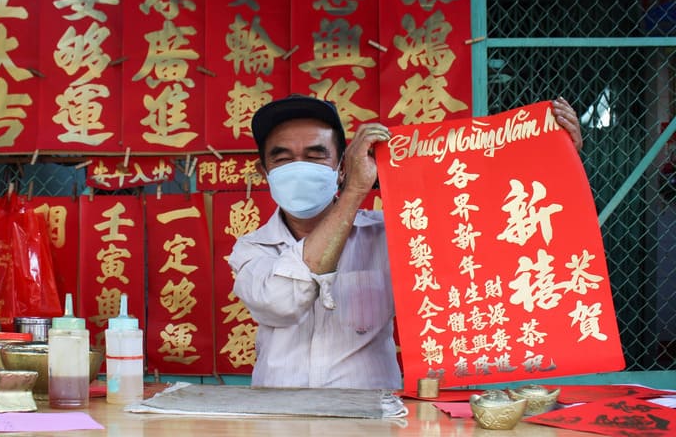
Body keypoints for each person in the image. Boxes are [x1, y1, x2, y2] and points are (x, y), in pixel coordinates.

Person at [228, 94, 584, 389]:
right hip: (278, 418)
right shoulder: (251, 249)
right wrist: (355, 190)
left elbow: (491, 238)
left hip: (371, 418)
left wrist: (554, 157)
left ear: (340, 166)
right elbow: (283, 302)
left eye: (315, 155)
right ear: (264, 172)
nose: (299, 166)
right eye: (283, 158)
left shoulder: (391, 234)